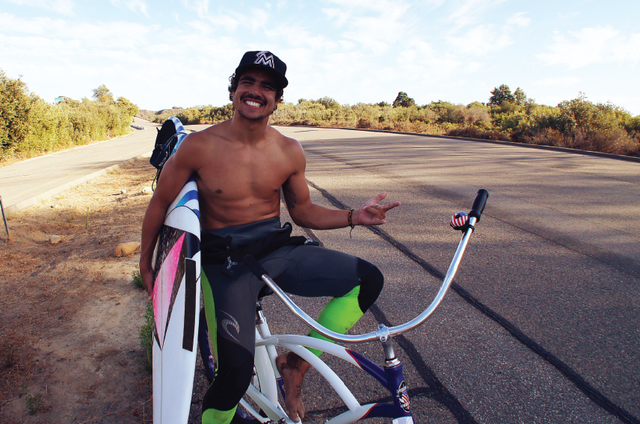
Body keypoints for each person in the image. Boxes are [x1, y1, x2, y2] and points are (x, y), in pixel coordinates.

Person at [139, 50, 401, 424]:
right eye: (248, 82)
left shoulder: (288, 151)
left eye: (267, 86)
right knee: (234, 376)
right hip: (224, 263)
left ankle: (294, 366)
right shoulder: (198, 147)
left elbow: (303, 212)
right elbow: (160, 204)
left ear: (277, 100)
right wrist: (146, 262)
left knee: (368, 280)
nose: (255, 91)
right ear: (233, 90)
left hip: (274, 248)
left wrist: (352, 216)